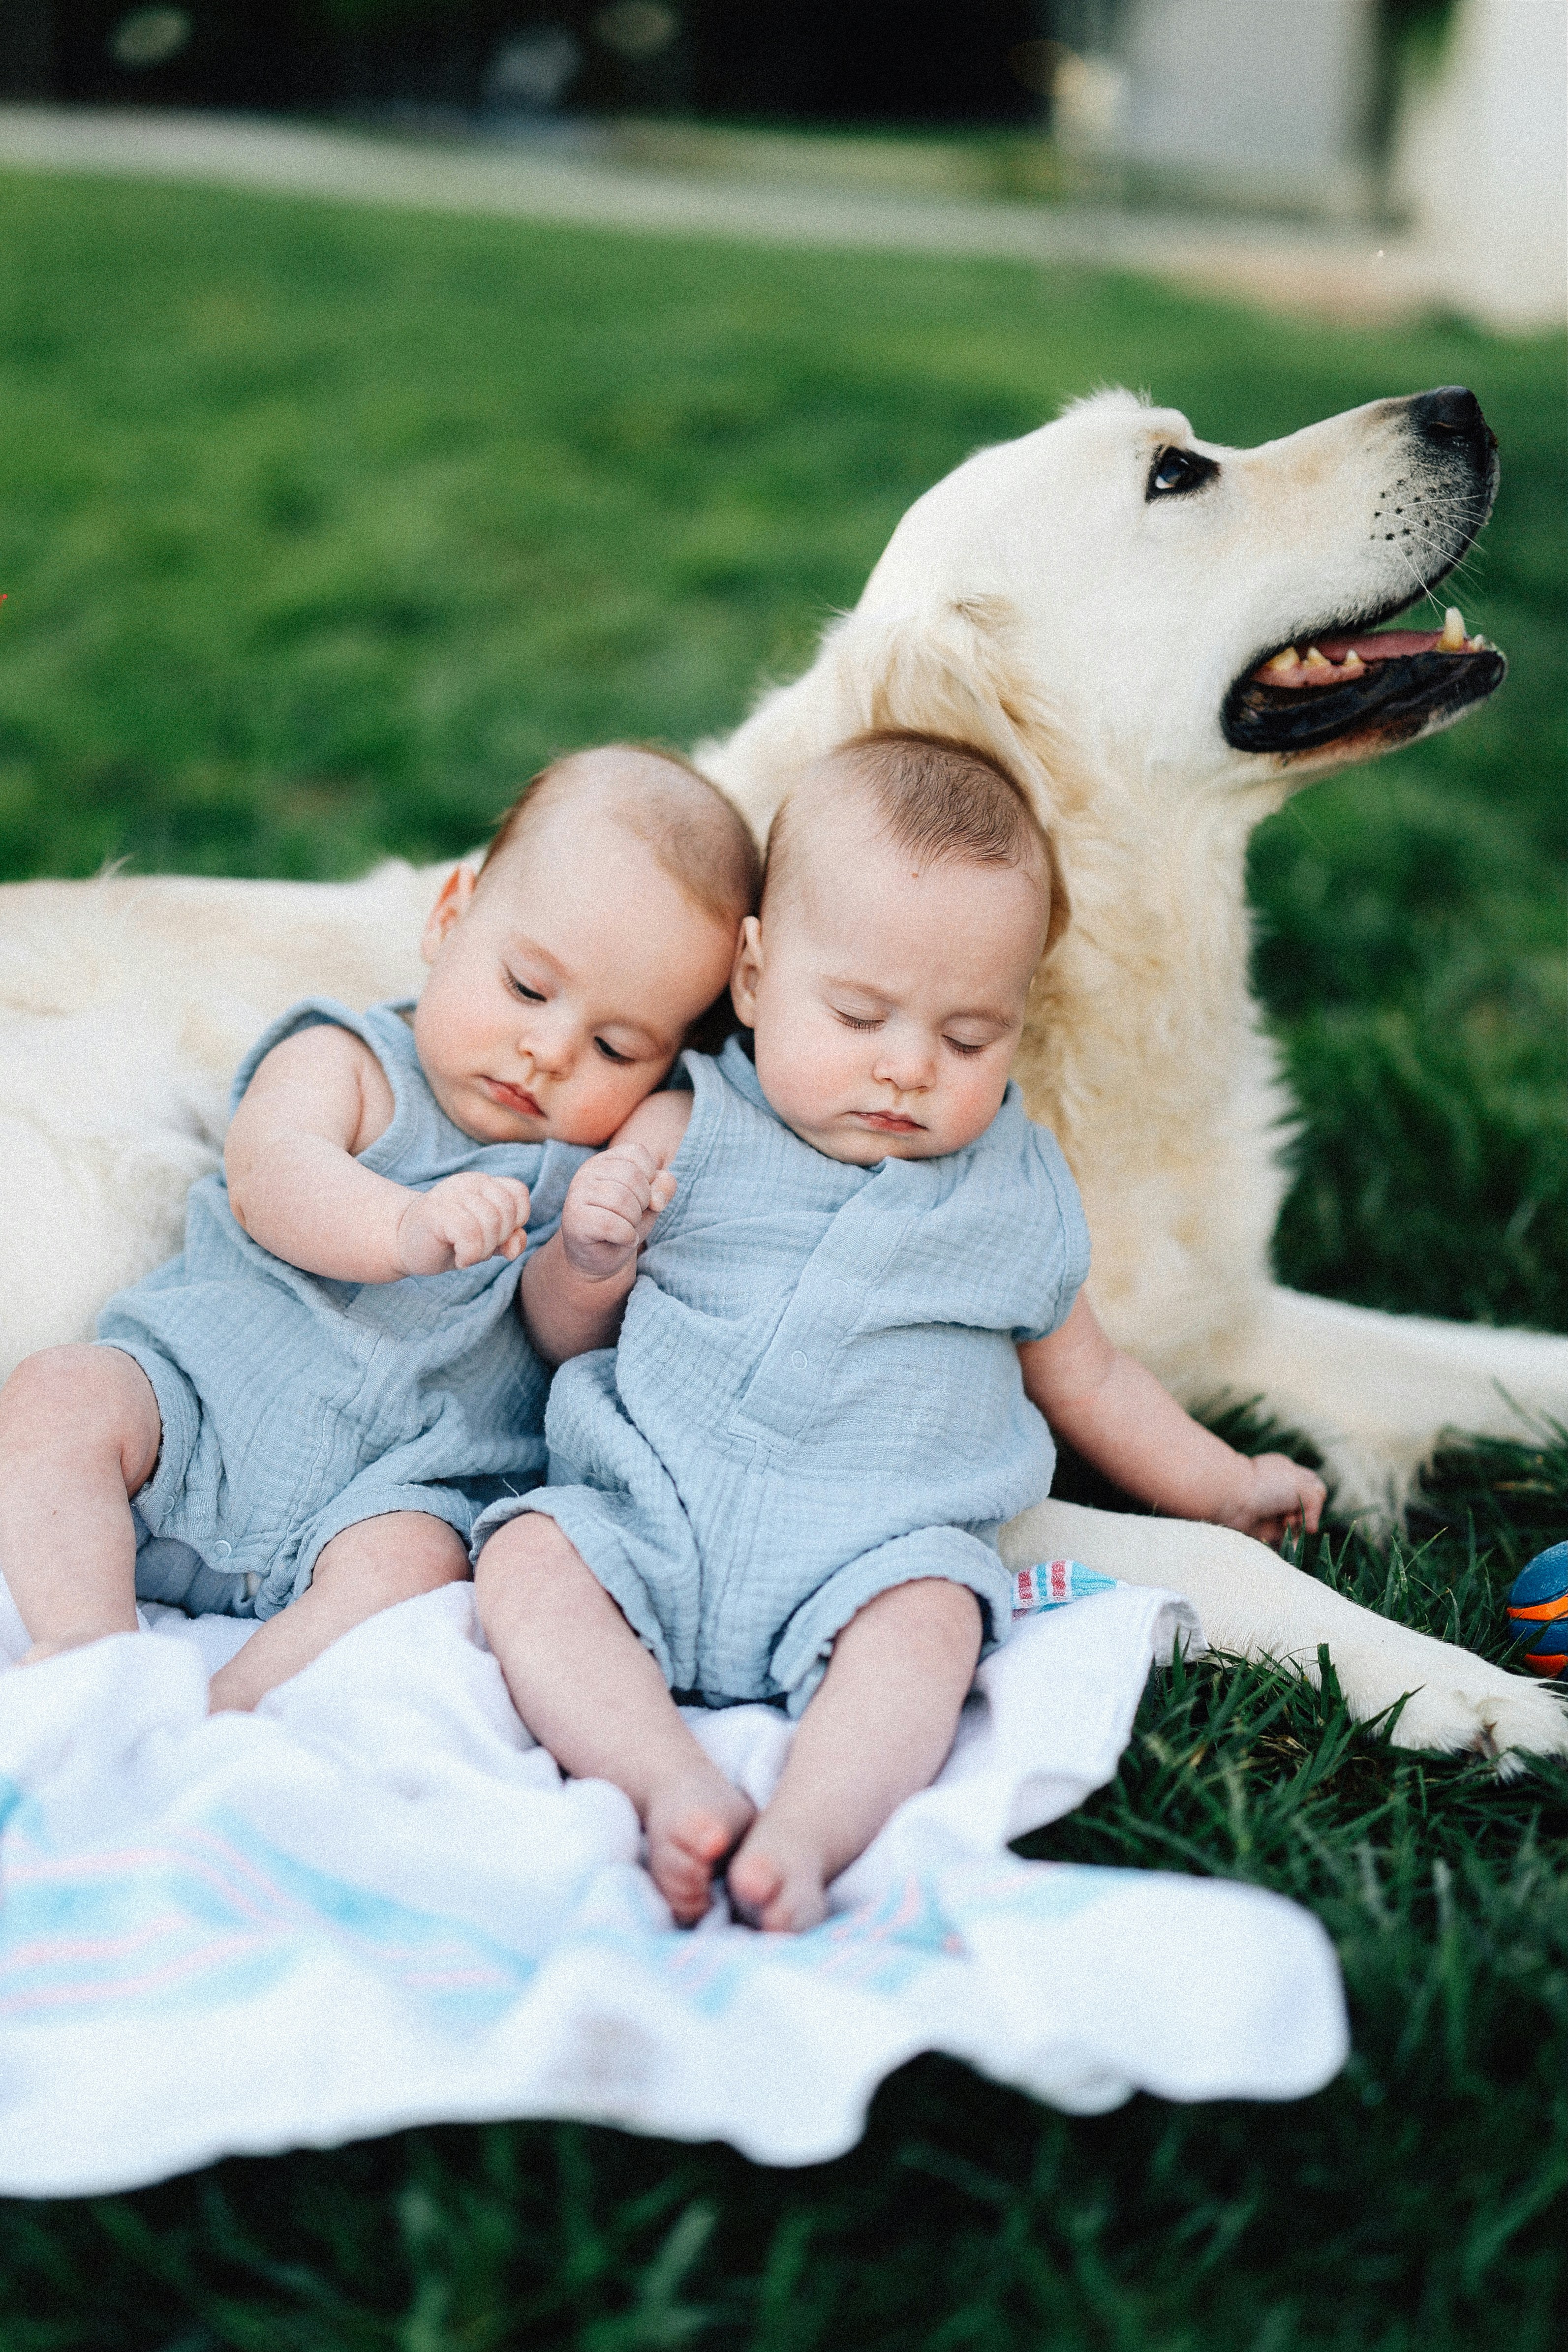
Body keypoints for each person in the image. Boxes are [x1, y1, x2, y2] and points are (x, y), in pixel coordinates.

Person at [473, 730, 1327, 1932]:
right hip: (645, 1512)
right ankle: (666, 1784)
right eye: (860, 1014)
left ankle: (808, 1834)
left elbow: (1090, 1377)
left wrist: (1227, 1485)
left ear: (1015, 1028)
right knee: (527, 1561)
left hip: (871, 1550)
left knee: (932, 1625)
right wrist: (588, 1258)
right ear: (757, 979)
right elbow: (561, 1337)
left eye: (966, 1037)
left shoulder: (1014, 1190)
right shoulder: (683, 1128)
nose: (907, 1070)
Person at [0, 745, 758, 1713]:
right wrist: (399, 1225)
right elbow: (271, 1175)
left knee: (425, 1563)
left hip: (390, 1491)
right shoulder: (352, 1058)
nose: (550, 1049)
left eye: (615, 1045)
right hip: (195, 1409)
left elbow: (564, 1339)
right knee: (59, 1395)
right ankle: (85, 1646)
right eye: (528, 987)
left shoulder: (585, 1169)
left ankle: (228, 1710)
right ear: (450, 919)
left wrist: (590, 1260)